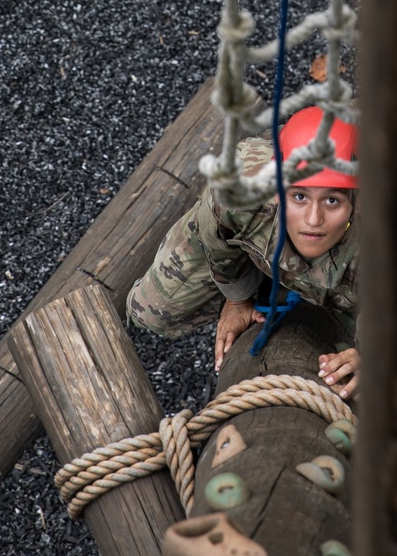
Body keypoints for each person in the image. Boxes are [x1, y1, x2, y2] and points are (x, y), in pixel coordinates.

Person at [126, 106, 361, 398]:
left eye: (332, 201)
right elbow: (218, 234)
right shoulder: (240, 192)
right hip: (260, 215)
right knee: (152, 311)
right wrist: (237, 298)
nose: (314, 219)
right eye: (299, 196)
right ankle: (266, 272)